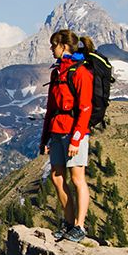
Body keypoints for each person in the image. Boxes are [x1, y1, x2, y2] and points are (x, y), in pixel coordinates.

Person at [40, 29, 94, 242]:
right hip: (57, 129)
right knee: (56, 176)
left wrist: (76, 138)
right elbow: (50, 108)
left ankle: (80, 226)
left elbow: (86, 108)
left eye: (54, 45)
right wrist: (44, 138)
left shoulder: (80, 72)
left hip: (73, 132)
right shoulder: (57, 72)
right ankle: (69, 221)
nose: (52, 49)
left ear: (63, 46)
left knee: (77, 178)